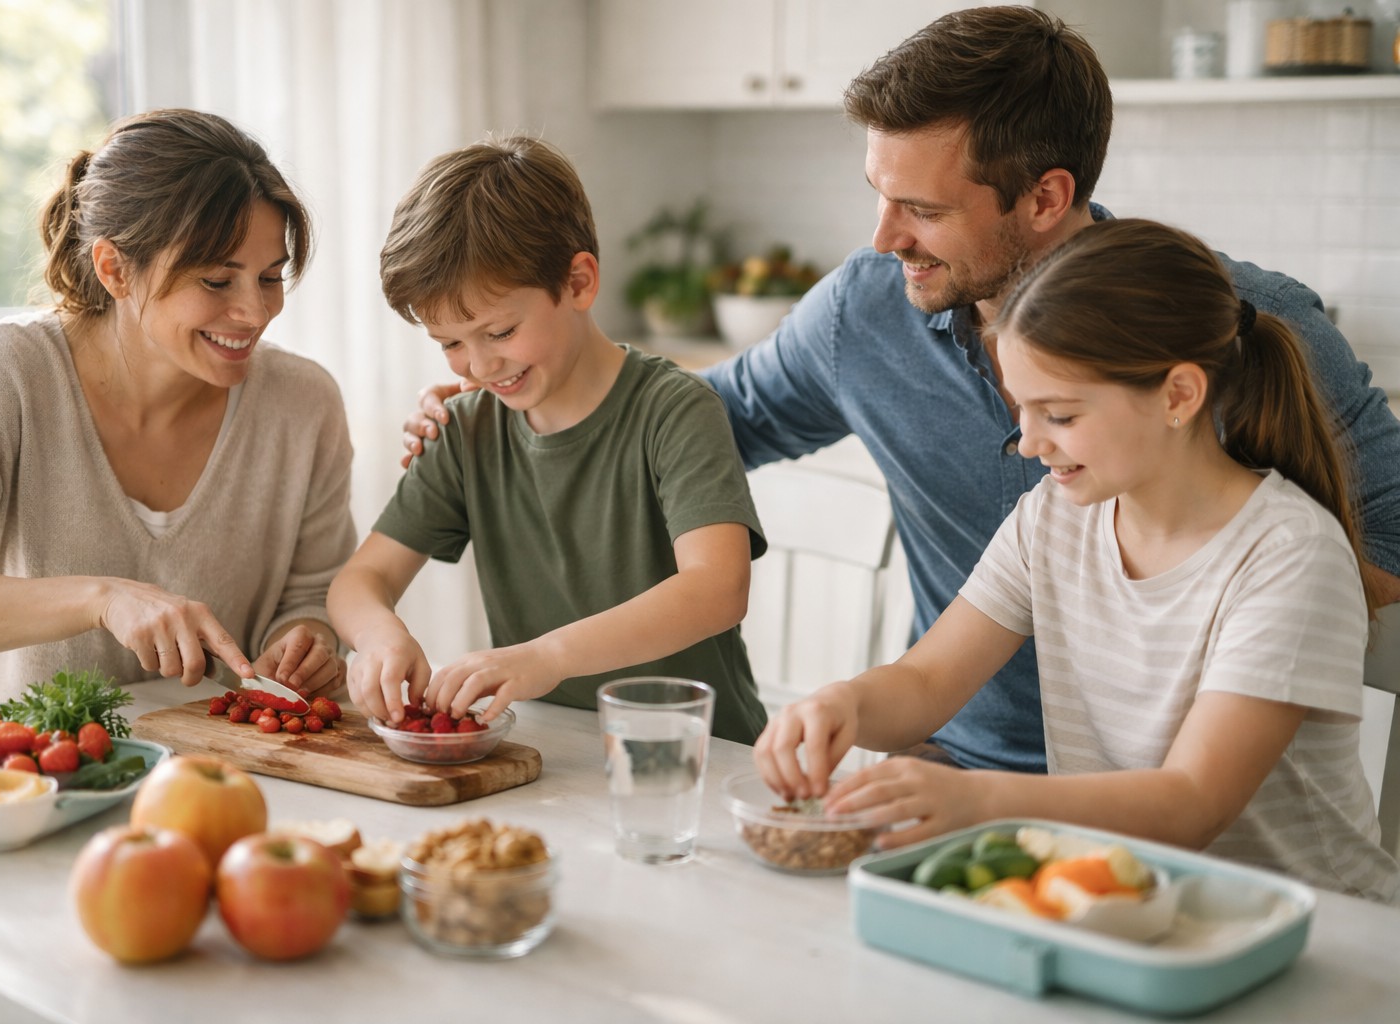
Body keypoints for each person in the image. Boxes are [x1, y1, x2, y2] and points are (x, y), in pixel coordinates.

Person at [400, 6, 1400, 774]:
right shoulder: (868, 309)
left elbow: (1386, 544)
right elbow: (706, 423)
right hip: (954, 756)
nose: (883, 241)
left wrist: (1168, 628)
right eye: (877, 196)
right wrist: (516, 395)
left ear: (1046, 198)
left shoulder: (1239, 329)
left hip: (1182, 788)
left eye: (920, 208)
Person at [756, 218, 1398, 902]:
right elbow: (924, 682)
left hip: (1314, 931)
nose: (1029, 444)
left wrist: (980, 800)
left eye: (1059, 415)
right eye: (1023, 409)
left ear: (1179, 395)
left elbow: (1191, 803)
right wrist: (842, 703)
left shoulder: (1288, 555)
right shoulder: (1057, 518)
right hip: (1132, 903)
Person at [0, 108, 357, 702]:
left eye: (271, 277)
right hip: (27, 779)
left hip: (223, 782)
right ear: (115, 269)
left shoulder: (304, 404)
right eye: (217, 282)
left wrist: (306, 641)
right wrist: (100, 600)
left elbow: (313, 597)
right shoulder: (6, 375)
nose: (255, 313)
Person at [326, 135, 769, 743]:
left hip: (700, 758)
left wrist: (545, 658)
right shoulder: (466, 430)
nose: (477, 366)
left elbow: (717, 589)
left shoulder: (676, 411)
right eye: (450, 344)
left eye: (500, 331)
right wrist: (380, 635)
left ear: (580, 282)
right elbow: (359, 581)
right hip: (556, 754)